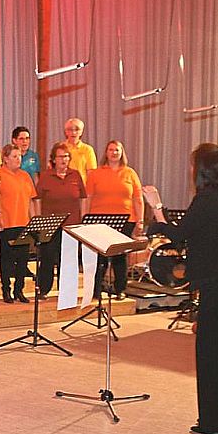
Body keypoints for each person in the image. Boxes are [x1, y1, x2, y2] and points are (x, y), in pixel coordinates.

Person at [144, 144, 218, 434]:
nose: (190, 170)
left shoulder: (207, 199)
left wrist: (156, 207)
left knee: (209, 351)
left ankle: (213, 421)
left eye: (193, 165)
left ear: (202, 169)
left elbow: (179, 235)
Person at [85, 140, 144, 299]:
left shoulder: (130, 173)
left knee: (120, 256)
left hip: (126, 220)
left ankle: (120, 289)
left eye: (117, 150)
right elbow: (88, 198)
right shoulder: (96, 174)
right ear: (106, 153)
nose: (114, 153)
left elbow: (138, 198)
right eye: (111, 150)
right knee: (100, 256)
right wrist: (85, 219)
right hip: (99, 220)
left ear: (121, 152)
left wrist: (140, 220)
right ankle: (96, 290)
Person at [34, 142, 87, 297]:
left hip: (71, 225)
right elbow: (37, 199)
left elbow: (83, 198)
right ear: (53, 159)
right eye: (60, 157)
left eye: (66, 156)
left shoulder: (75, 175)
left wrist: (83, 221)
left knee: (69, 259)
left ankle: (67, 291)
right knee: (48, 258)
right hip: (50, 225)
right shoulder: (46, 176)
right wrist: (39, 221)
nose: (64, 159)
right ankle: (43, 289)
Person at [0, 144, 37, 303]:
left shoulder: (25, 175)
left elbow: (30, 201)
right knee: (7, 258)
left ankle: (19, 290)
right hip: (7, 222)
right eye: (14, 156)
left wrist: (34, 221)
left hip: (23, 222)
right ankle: (6, 290)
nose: (18, 159)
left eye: (19, 156)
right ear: (5, 159)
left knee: (23, 258)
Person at [63, 117, 96, 184]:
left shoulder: (88, 149)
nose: (73, 132)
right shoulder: (60, 148)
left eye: (77, 129)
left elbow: (91, 172)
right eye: (70, 129)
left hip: (81, 186)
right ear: (66, 132)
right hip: (63, 185)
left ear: (81, 132)